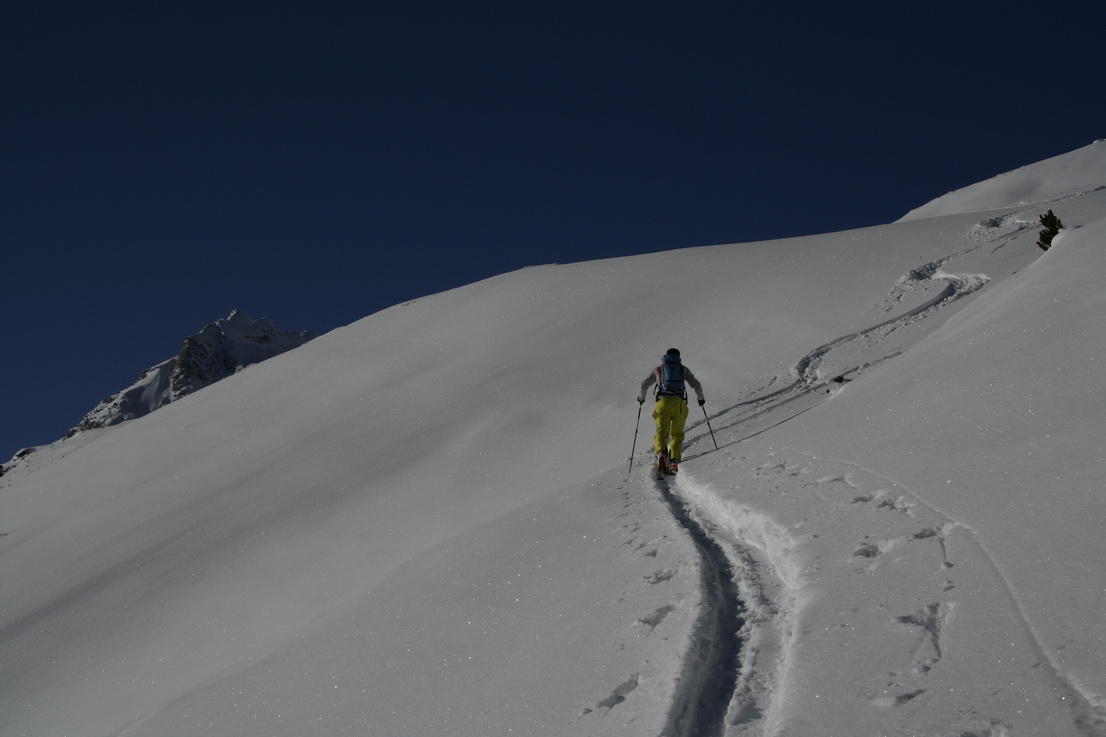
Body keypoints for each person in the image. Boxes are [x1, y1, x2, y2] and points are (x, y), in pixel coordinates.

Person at [637, 348, 705, 474]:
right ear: (678, 357)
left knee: (661, 432)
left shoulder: (658, 370)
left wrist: (641, 398)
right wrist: (700, 399)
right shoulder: (682, 369)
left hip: (662, 403)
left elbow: (644, 384)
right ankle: (674, 461)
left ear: (665, 356)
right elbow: (696, 384)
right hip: (678, 403)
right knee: (677, 433)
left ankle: (661, 453)